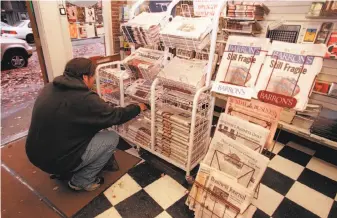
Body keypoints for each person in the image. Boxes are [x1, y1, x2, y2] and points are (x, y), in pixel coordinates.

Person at [26, 58, 147, 191]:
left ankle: (64, 169)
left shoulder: (49, 87)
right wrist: (138, 107)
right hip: (56, 161)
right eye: (93, 76)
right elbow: (115, 116)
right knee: (111, 137)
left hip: (35, 153)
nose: (94, 79)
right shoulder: (84, 99)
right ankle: (81, 181)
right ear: (85, 77)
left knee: (91, 132)